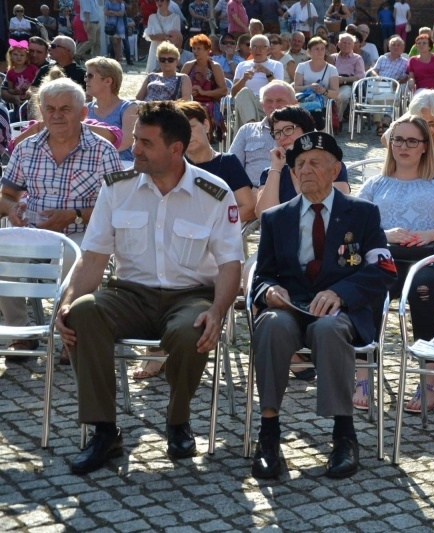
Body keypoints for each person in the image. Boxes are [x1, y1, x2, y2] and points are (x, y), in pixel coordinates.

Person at [54, 101, 243, 475]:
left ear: (176, 149)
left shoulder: (215, 193)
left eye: (144, 143)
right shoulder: (117, 189)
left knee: (194, 330)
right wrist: (68, 301)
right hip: (129, 294)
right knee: (82, 313)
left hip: (190, 296)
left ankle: (177, 422)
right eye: (135, 139)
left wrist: (218, 311)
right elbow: (93, 258)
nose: (133, 149)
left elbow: (229, 265)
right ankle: (104, 430)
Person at [248, 131, 396, 479]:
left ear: (335, 170)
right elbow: (262, 276)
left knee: (329, 328)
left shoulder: (362, 213)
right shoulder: (276, 218)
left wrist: (342, 292)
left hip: (339, 312)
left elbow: (384, 270)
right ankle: (268, 434)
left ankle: (344, 434)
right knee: (269, 324)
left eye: (315, 162)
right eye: (299, 165)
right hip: (290, 310)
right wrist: (269, 292)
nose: (306, 170)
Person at [0, 78, 123, 362]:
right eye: (50, 108)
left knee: (75, 263)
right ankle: (21, 333)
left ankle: (70, 332)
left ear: (82, 114)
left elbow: (118, 208)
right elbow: (6, 194)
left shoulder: (103, 151)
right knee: (3, 258)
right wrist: (12, 209)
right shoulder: (27, 148)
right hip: (35, 232)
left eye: (65, 109)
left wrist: (75, 215)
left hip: (83, 232)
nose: (56, 115)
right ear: (41, 112)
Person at [355, 116, 434, 412]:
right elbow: (352, 229)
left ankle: (428, 380)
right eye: (398, 139)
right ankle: (362, 376)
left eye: (411, 141)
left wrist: (429, 234)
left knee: (424, 290)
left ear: (425, 147)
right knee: (366, 288)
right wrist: (384, 234)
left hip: (427, 260)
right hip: (385, 258)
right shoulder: (375, 183)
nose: (403, 146)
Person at [255, 104, 350, 213]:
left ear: (306, 130)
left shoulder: (330, 166)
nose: (282, 137)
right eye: (277, 133)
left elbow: (339, 209)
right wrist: (275, 168)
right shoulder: (270, 173)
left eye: (288, 129)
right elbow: (264, 214)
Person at [180, 100, 255, 222]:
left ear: (206, 125)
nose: (187, 135)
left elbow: (248, 208)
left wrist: (213, 224)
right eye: (179, 131)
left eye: (191, 127)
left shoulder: (228, 163)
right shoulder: (175, 168)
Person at [230, 80, 297, 186]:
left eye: (280, 100)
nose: (274, 106)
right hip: (252, 193)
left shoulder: (305, 131)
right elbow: (231, 169)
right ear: (262, 105)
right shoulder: (247, 131)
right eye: (269, 101)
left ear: (294, 103)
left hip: (292, 193)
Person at [382, 90, 434, 164]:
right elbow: (385, 139)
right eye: (421, 123)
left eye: (432, 123)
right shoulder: (406, 122)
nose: (426, 128)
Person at [85, 58, 138, 165]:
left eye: (90, 76)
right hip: (91, 165)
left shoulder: (129, 108)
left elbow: (127, 141)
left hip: (122, 165)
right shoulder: (85, 109)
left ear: (108, 81)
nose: (86, 80)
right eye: (86, 76)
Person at [232, 34, 285, 130]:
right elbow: (233, 93)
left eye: (262, 47)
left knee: (246, 95)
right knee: (244, 92)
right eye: (254, 47)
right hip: (246, 102)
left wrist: (268, 74)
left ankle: (250, 129)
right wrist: (243, 79)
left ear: (268, 50)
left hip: (267, 102)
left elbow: (280, 89)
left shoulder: (276, 65)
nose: (258, 50)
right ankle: (252, 127)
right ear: (250, 50)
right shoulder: (242, 65)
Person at [181, 34, 228, 131]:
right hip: (190, 100)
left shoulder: (214, 67)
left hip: (209, 101)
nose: (195, 51)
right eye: (193, 48)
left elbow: (223, 91)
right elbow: (179, 86)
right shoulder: (188, 66)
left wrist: (204, 92)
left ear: (207, 50)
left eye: (199, 49)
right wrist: (189, 92)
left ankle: (207, 134)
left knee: (202, 108)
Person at [293, 36, 339, 131]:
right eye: (317, 49)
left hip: (322, 102)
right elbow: (296, 88)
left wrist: (324, 91)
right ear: (309, 52)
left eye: (322, 49)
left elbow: (335, 93)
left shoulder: (332, 69)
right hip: (304, 100)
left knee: (316, 112)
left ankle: (321, 138)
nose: (320, 51)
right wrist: (310, 87)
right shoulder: (302, 66)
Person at [370, 35, 409, 134]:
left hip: (393, 87)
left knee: (380, 99)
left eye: (398, 45)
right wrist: (377, 77)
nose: (396, 47)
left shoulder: (405, 63)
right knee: (375, 97)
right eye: (393, 45)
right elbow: (374, 70)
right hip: (379, 85)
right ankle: (382, 123)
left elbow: (405, 78)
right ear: (389, 47)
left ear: (403, 48)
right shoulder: (382, 58)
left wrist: (397, 82)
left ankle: (380, 124)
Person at [331, 32, 364, 131]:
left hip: (347, 84)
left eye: (349, 43)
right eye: (344, 42)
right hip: (331, 83)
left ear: (353, 45)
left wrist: (344, 80)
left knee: (342, 97)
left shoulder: (357, 58)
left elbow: (360, 76)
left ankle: (338, 121)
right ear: (338, 44)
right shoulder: (333, 57)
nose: (346, 45)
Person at [407, 34, 434, 101]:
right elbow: (411, 77)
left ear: (429, 46)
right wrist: (411, 81)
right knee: (421, 101)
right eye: (419, 43)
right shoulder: (412, 60)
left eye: (424, 43)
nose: (421, 45)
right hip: (422, 88)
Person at [143, 0, 182, 73]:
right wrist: (167, 36)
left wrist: (160, 36)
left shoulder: (176, 18)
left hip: (169, 51)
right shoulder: (152, 17)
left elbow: (177, 38)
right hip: (155, 50)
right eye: (157, 1)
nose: (159, 3)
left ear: (168, 2)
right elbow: (151, 37)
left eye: (162, 0)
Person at [5, 40, 39, 109]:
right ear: (10, 55)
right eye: (15, 54)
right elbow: (10, 89)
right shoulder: (10, 72)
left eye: (22, 55)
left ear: (26, 57)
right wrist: (15, 91)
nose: (18, 57)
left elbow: (40, 82)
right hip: (19, 101)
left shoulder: (33, 68)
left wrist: (31, 86)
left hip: (33, 100)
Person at [105, 0, 133, 65]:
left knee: (118, 43)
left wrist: (111, 12)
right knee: (114, 43)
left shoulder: (121, 3)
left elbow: (122, 14)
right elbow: (105, 12)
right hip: (111, 25)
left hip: (120, 25)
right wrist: (116, 13)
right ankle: (116, 59)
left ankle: (118, 59)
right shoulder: (108, 2)